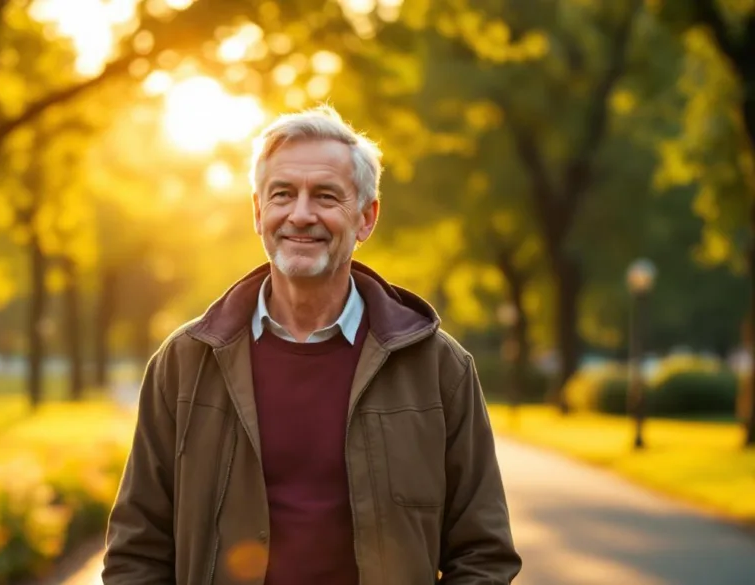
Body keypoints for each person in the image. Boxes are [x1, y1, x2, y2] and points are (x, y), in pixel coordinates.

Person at [101, 105, 521, 584]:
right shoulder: (184, 363)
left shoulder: (441, 368)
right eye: (283, 194)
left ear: (366, 218)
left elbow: (484, 555)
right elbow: (136, 553)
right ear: (259, 213)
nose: (301, 215)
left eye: (325, 196)